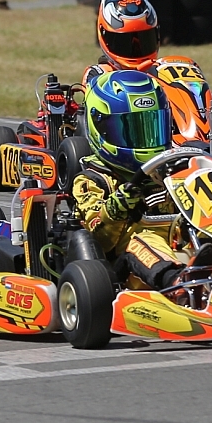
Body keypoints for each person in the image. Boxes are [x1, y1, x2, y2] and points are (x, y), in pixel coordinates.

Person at [69, 70, 191, 290]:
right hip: (122, 267)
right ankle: (178, 284)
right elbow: (100, 240)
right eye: (131, 130)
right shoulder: (91, 180)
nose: (145, 140)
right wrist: (115, 209)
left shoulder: (170, 170)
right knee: (145, 240)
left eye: (152, 127)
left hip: (179, 245)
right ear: (101, 129)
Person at [82, 0, 163, 87]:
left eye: (145, 40)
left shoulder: (161, 70)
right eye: (124, 42)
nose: (136, 49)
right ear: (104, 36)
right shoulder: (98, 74)